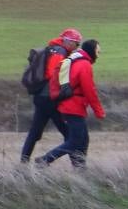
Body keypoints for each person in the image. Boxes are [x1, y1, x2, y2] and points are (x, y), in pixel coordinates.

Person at [35, 39, 105, 170]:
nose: (98, 54)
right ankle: (45, 160)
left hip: (69, 106)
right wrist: (99, 111)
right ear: (92, 51)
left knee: (82, 139)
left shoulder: (75, 60)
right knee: (76, 141)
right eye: (98, 51)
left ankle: (80, 169)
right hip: (74, 107)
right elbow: (89, 90)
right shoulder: (84, 65)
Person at [19, 27, 81, 164]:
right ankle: (77, 166)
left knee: (35, 133)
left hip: (41, 97)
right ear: (68, 41)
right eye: (76, 44)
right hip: (51, 99)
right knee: (69, 134)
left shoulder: (52, 48)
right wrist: (67, 88)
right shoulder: (60, 52)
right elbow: (54, 74)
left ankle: (23, 163)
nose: (77, 47)